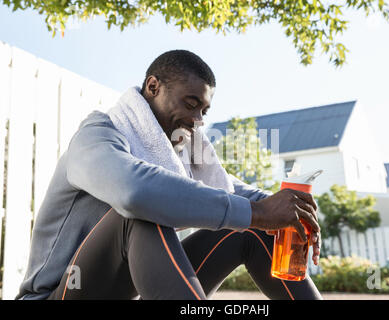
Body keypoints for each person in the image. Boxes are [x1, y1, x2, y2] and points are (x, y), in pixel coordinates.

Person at [16, 50, 322, 300]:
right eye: (191, 104)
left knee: (252, 229)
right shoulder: (97, 135)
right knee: (140, 212)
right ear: (153, 87)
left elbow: (233, 192)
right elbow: (133, 193)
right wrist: (257, 212)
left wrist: (290, 210)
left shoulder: (183, 153)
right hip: (61, 294)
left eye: (204, 110)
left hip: (130, 293)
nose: (198, 121)